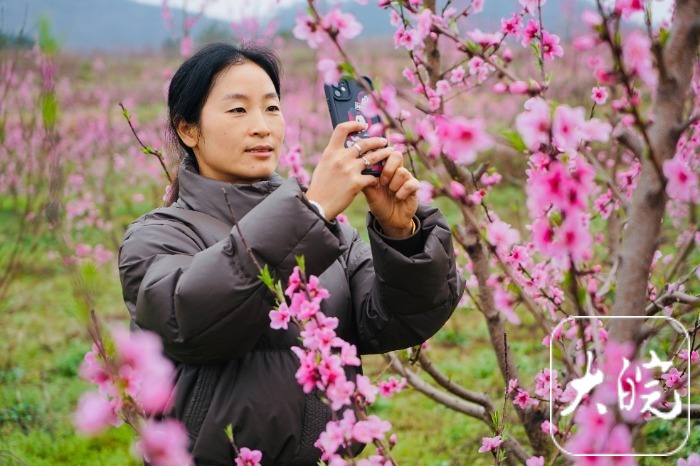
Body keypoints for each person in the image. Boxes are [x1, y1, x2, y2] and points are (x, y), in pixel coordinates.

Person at [118, 42, 465, 466]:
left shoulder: (328, 232)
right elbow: (192, 318)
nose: (262, 127)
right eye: (238, 110)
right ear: (189, 130)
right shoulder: (157, 237)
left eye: (272, 108)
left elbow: (394, 323)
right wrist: (312, 211)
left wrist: (402, 236)